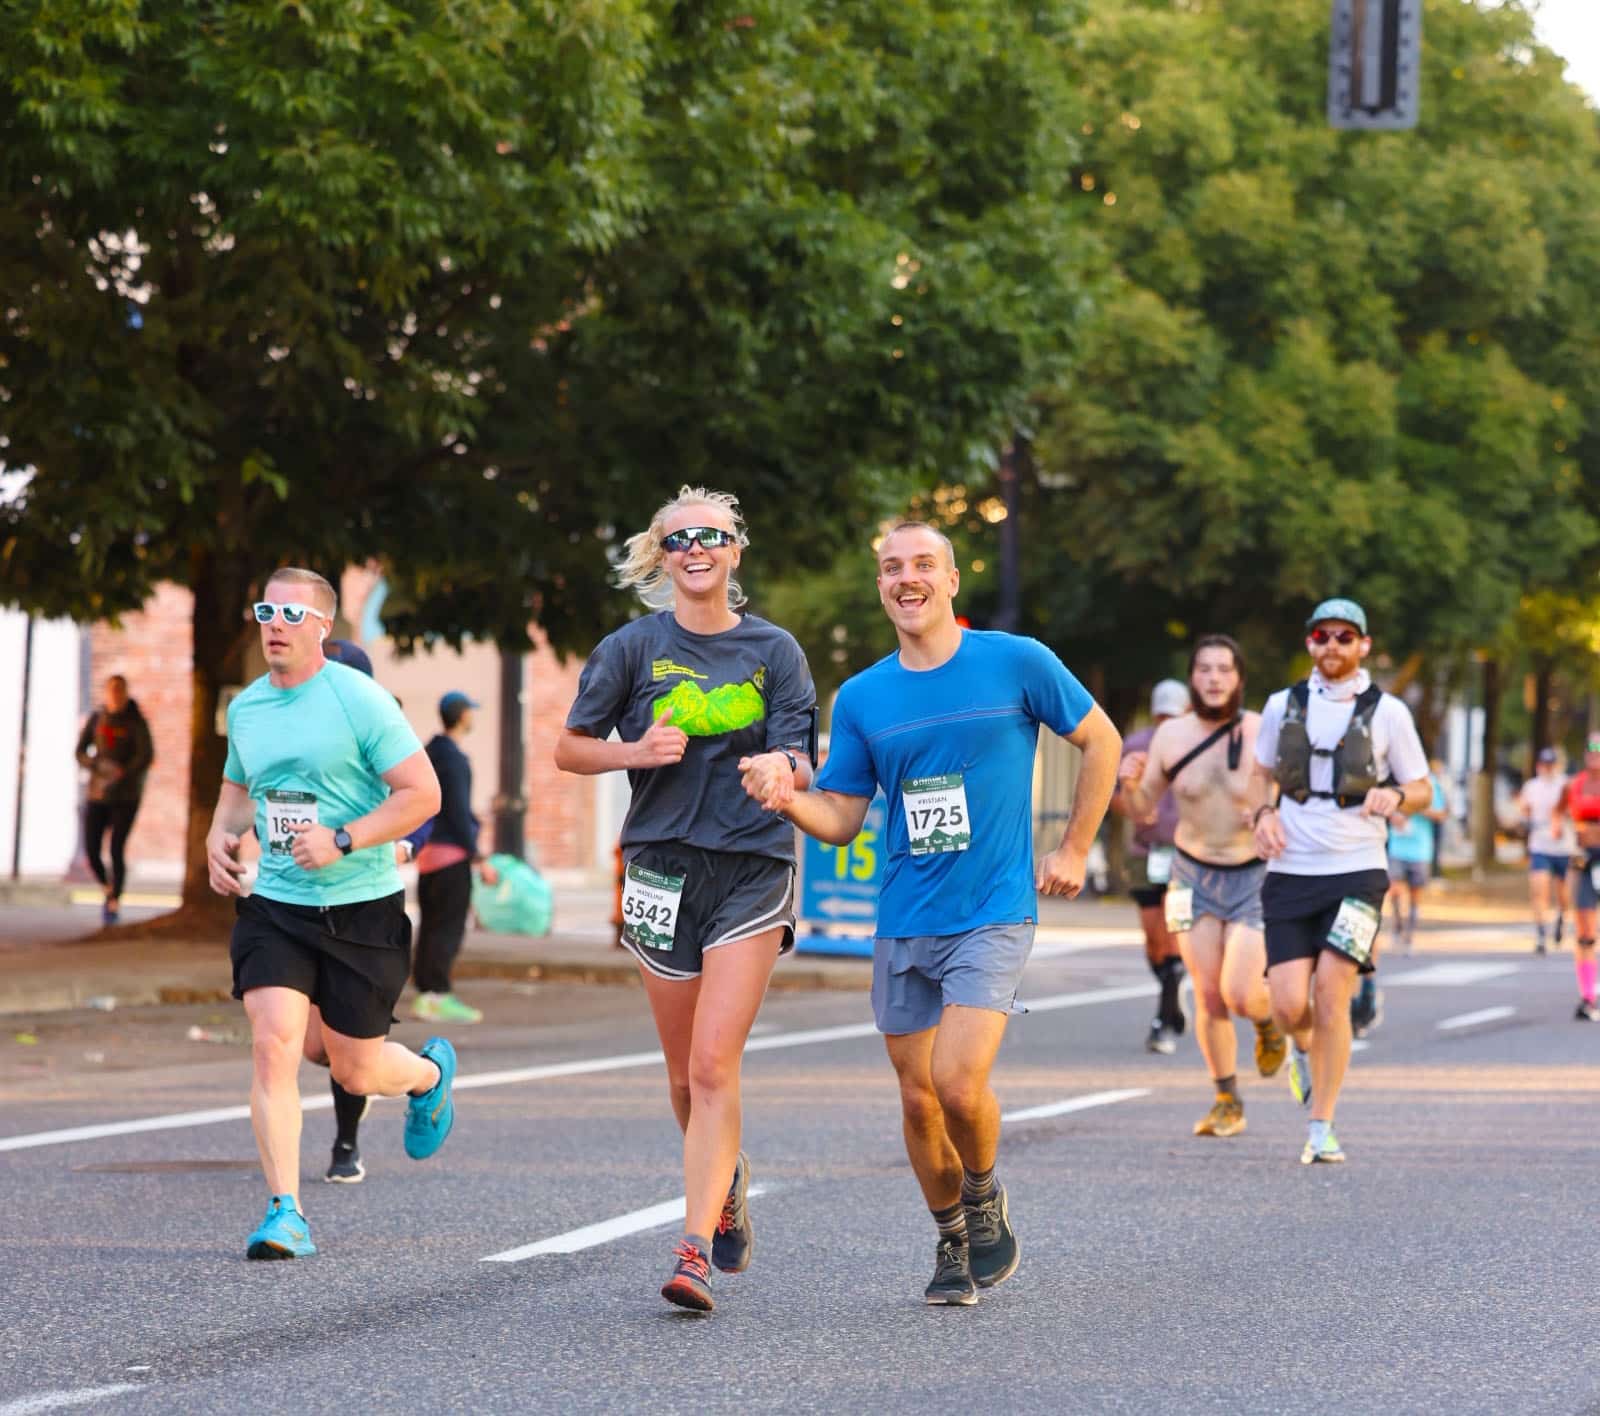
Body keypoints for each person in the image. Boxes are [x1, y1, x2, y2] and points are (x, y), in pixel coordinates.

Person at [762, 521, 1120, 1306]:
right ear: (882, 587)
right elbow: (843, 817)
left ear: (953, 580)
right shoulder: (863, 697)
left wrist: (1074, 847)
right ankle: (952, 1238)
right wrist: (789, 798)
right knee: (917, 1097)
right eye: (892, 568)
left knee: (958, 1083)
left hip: (993, 907)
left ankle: (984, 1195)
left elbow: (1102, 740)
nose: (907, 578)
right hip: (903, 916)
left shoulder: (1016, 661)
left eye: (923, 564)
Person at [554, 487, 816, 1314]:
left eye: (712, 536)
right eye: (678, 540)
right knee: (678, 1074)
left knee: (712, 1064)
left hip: (751, 864)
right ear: (661, 557)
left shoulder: (776, 650)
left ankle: (694, 1246)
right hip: (662, 867)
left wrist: (784, 771)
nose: (695, 548)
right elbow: (569, 748)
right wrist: (635, 749)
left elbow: (803, 756)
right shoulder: (630, 648)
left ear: (737, 550)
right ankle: (725, 1177)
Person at [206, 568, 455, 1258]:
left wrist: (344, 838)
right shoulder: (248, 708)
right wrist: (216, 838)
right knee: (273, 1043)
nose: (275, 624)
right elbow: (235, 789)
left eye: (291, 613)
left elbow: (422, 794)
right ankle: (285, 1211)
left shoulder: (360, 700)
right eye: (266, 610)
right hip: (276, 905)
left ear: (323, 626)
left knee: (354, 1071)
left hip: (361, 909)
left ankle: (429, 1075)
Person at [1247, 598, 1430, 1165]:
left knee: (1332, 994)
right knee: (1285, 1006)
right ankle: (1302, 1049)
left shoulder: (1389, 713)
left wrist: (1395, 794)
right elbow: (1260, 774)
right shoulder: (1283, 705)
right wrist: (1263, 815)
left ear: (1363, 646)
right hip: (1290, 871)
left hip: (1358, 871)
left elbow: (1422, 787)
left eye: (1345, 637)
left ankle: (1321, 1125)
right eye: (1323, 636)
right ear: (1310, 644)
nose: (1333, 646)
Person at [1118, 635, 1287, 1139]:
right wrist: (1130, 782)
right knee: (1209, 996)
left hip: (1254, 875)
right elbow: (1143, 810)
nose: (1214, 678)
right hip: (1189, 877)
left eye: (1225, 669)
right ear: (1193, 679)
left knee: (1240, 991)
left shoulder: (1262, 731)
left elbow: (1295, 796)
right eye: (1205, 669)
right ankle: (1226, 1098)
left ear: (1239, 678)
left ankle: (1266, 1021)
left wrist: (1266, 812)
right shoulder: (1169, 738)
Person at [316, 637, 436, 1185]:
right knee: (309, 1042)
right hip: (299, 898)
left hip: (366, 904)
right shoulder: (297, 724)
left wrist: (402, 844)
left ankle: (347, 1142)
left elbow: (426, 800)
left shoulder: (382, 723)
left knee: (349, 1049)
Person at [1109, 678, 1189, 1054]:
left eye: (1173, 715)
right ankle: (1171, 993)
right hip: (1145, 850)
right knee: (1153, 936)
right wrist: (1136, 807)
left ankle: (1163, 1018)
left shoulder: (1196, 744)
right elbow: (1113, 796)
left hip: (1187, 854)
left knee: (1175, 931)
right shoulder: (1135, 745)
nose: (1166, 722)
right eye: (1161, 715)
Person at [413, 690, 499, 1025]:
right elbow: (458, 812)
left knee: (431, 926)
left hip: (428, 855)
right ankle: (438, 995)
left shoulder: (428, 754)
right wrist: (479, 858)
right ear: (462, 715)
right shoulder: (455, 759)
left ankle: (426, 995)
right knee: (447, 928)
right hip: (452, 856)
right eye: (470, 711)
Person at [74, 675, 155, 924]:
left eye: (120, 690)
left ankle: (114, 899)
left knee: (116, 847)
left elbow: (146, 755)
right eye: (112, 690)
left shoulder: (136, 721)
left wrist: (124, 771)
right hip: (99, 792)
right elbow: (80, 750)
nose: (116, 695)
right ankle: (107, 886)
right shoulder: (98, 719)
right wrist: (94, 764)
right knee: (91, 846)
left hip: (126, 794)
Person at [1551, 737, 1600, 1022]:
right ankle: (1587, 997)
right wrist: (1558, 826)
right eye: (1590, 749)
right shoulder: (1574, 784)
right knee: (1585, 933)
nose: (1594, 755)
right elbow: (1558, 811)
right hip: (1584, 860)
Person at [1519, 747, 1572, 955]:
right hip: (1540, 845)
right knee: (1539, 888)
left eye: (1551, 764)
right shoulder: (1532, 786)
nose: (1547, 768)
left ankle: (1561, 916)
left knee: (1563, 893)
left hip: (1562, 846)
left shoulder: (1565, 785)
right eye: (1544, 764)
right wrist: (1525, 818)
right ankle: (1541, 933)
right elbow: (1524, 809)